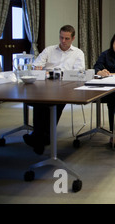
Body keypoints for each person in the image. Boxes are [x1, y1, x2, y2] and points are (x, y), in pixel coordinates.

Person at [23, 25, 85, 154]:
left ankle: (40, 137)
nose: (63, 41)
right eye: (61, 37)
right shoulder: (49, 50)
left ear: (73, 38)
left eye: (67, 38)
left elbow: (79, 72)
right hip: (46, 85)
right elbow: (36, 65)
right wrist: (40, 69)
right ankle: (42, 137)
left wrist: (59, 73)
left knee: (55, 102)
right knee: (40, 102)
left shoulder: (78, 53)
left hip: (67, 87)